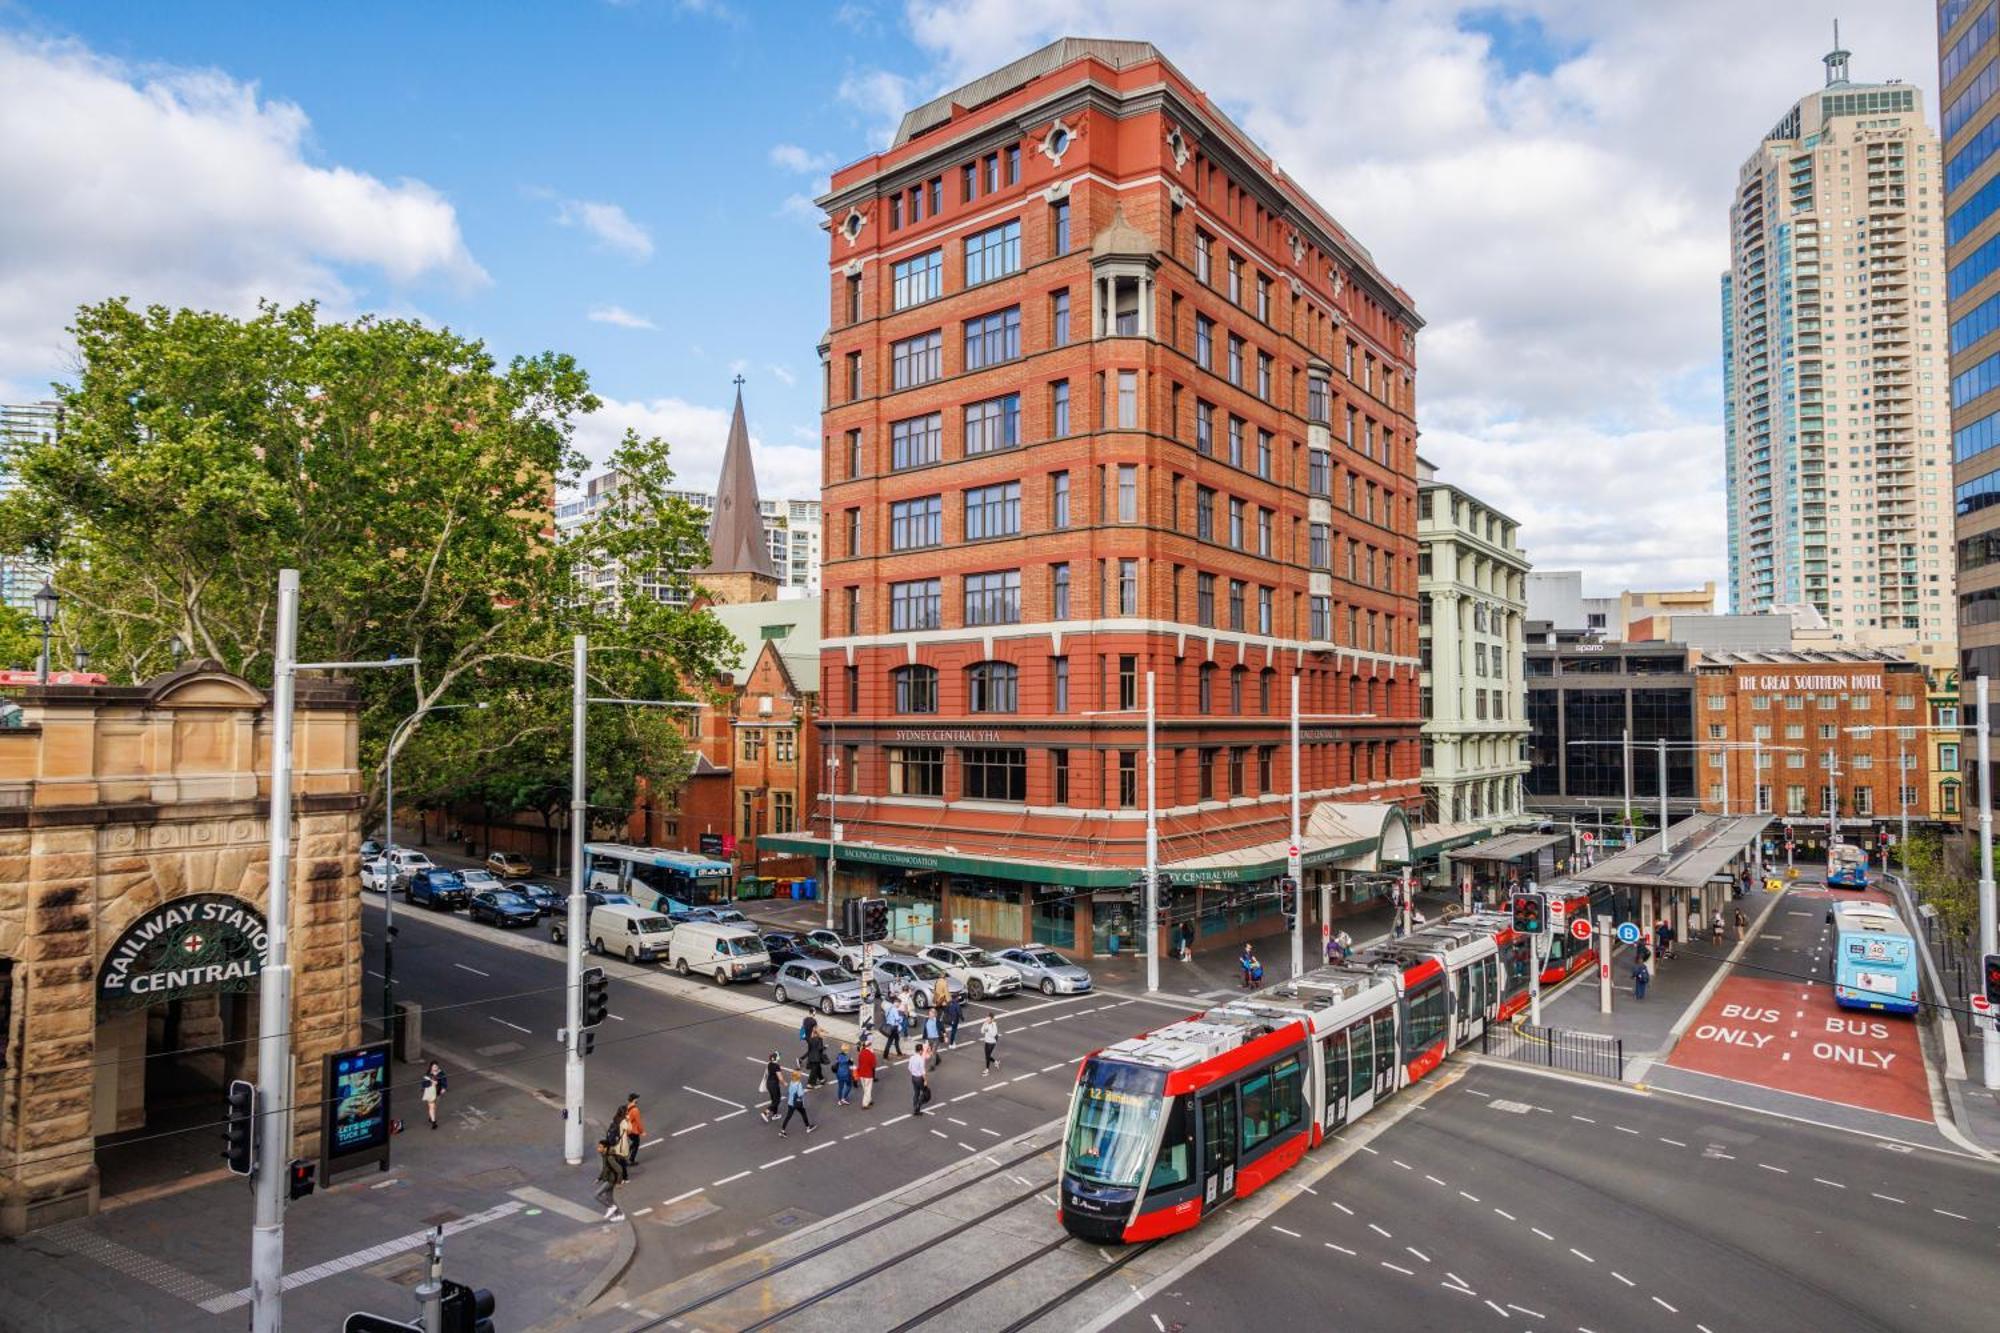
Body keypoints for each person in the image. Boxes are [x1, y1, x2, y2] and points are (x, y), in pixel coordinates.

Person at [593, 1132, 625, 1221]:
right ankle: (620, 1215)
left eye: (600, 1147)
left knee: (596, 1195)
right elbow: (605, 1169)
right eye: (598, 1146)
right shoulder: (604, 1155)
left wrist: (618, 1182)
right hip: (608, 1179)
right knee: (609, 1198)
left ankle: (611, 1207)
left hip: (611, 1180)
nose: (598, 1148)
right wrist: (599, 1178)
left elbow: (619, 1170)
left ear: (605, 1148)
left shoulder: (609, 1157)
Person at [779, 1067, 815, 1137]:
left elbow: (789, 1091)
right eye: (800, 1074)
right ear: (798, 1076)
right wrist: (806, 1090)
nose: (801, 1074)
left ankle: (782, 1130)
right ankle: (808, 1127)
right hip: (797, 1103)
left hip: (790, 1102)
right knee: (803, 1113)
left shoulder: (791, 1082)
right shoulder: (799, 1084)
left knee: (788, 1116)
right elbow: (800, 1094)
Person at [621, 1093, 645, 1165]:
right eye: (636, 1098)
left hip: (627, 1129)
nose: (637, 1100)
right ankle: (631, 1160)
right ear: (634, 1099)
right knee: (636, 1144)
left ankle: (625, 1154)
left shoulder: (627, 1107)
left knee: (634, 1143)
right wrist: (642, 1131)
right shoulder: (635, 1110)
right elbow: (638, 1122)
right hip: (633, 1130)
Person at [421, 1061, 447, 1129]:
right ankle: (434, 1123)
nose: (436, 1068)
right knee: (431, 1107)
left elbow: (444, 1081)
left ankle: (431, 1116)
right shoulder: (428, 1075)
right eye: (434, 1067)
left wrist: (444, 1088)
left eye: (437, 1066)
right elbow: (423, 1085)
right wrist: (431, 1083)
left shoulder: (441, 1073)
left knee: (435, 1107)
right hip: (430, 1093)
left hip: (438, 1093)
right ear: (431, 1067)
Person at [760, 1051, 784, 1122]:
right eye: (778, 1056)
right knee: (777, 1100)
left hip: (769, 1084)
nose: (779, 1057)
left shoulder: (769, 1064)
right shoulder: (776, 1066)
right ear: (776, 1058)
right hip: (774, 1085)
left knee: (774, 1100)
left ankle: (775, 1114)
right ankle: (766, 1112)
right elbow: (780, 1078)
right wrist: (784, 1083)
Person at [909, 1044, 931, 1116]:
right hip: (919, 1078)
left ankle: (915, 1107)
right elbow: (922, 1071)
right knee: (926, 1093)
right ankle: (918, 1106)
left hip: (913, 1077)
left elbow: (909, 1068)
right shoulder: (920, 1059)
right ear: (921, 1051)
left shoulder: (912, 1057)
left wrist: (914, 1073)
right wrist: (925, 1080)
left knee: (916, 1093)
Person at [856, 1041, 877, 1108]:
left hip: (861, 1073)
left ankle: (869, 1100)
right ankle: (865, 1104)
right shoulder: (871, 1054)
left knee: (865, 1088)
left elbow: (859, 1062)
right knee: (868, 1089)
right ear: (870, 1046)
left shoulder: (861, 1053)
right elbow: (873, 1065)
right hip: (868, 1074)